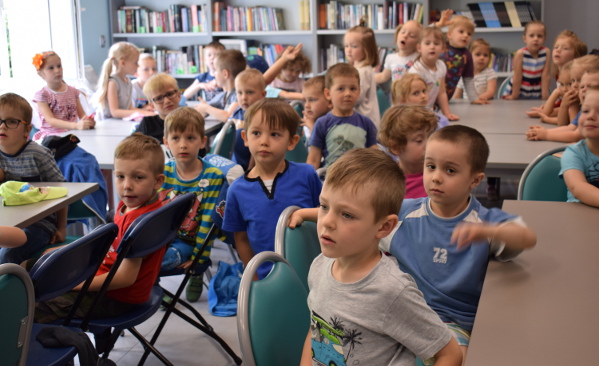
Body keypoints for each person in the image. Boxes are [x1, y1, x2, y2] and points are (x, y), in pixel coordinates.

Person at [381, 125, 537, 362]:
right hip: (404, 312)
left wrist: (486, 231)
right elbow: (360, 217)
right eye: (430, 166)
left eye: (450, 170)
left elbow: (527, 237)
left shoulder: (484, 220)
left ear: (475, 180)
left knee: (458, 358)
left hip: (453, 322)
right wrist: (307, 213)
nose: (436, 177)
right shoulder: (404, 213)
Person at [299, 148, 462, 366]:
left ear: (384, 226)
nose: (327, 221)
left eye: (346, 214)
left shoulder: (391, 291)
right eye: (324, 206)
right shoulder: (319, 266)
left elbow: (450, 354)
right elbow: (315, 331)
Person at [34, 133, 166, 325]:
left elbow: (125, 278)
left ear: (158, 181)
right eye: (120, 177)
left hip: (116, 298)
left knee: (30, 304)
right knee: (37, 263)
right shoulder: (138, 204)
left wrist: (78, 284)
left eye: (138, 177)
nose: (127, 186)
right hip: (105, 272)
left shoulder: (141, 223)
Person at [222, 98, 321, 280]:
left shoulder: (307, 175)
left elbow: (327, 213)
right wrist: (254, 277)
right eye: (257, 133)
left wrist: (305, 214)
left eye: (274, 134)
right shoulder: (237, 190)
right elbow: (241, 238)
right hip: (267, 277)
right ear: (245, 138)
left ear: (292, 142)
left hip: (313, 271)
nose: (264, 142)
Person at [158, 107, 226, 302]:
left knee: (160, 260)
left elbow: (208, 222)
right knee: (134, 255)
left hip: (189, 242)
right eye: (176, 138)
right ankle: (154, 287)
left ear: (202, 141)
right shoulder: (163, 172)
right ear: (166, 143)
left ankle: (194, 276)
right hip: (164, 237)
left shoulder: (212, 176)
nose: (183, 145)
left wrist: (198, 258)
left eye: (190, 138)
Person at [0, 93, 67, 265]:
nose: (2, 127)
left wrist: (61, 228)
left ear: (27, 130)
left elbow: (63, 191)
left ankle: (16, 291)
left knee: (7, 255)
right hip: (8, 222)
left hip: (40, 224)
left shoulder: (38, 154)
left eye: (11, 121)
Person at [306, 63, 378, 169]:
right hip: (331, 179)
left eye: (353, 88)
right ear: (328, 94)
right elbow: (313, 160)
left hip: (360, 179)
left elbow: (375, 156)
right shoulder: (322, 123)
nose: (348, 93)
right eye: (341, 89)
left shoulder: (366, 123)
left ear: (359, 92)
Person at [527, 57, 599, 142]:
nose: (575, 85)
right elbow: (570, 127)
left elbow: (576, 136)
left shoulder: (593, 109)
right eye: (573, 81)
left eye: (579, 80)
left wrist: (546, 134)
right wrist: (543, 131)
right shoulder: (585, 107)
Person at [31, 51, 95, 140]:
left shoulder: (73, 91)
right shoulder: (42, 95)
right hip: (52, 138)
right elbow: (51, 121)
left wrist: (88, 121)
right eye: (51, 68)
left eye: (59, 66)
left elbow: (82, 115)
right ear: (40, 73)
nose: (57, 70)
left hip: (72, 134)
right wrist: (76, 125)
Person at [378, 105, 438, 199]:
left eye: (431, 136)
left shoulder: (439, 174)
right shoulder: (388, 182)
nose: (429, 144)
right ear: (395, 147)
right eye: (419, 140)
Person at [524, 29, 587, 117]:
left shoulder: (574, 79)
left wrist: (546, 113)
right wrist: (551, 106)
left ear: (576, 56)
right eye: (556, 47)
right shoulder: (559, 73)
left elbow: (571, 108)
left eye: (565, 48)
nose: (558, 50)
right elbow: (562, 101)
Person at [94, 41, 156, 120]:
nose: (138, 66)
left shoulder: (128, 81)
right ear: (123, 63)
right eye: (136, 63)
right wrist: (144, 113)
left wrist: (146, 112)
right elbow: (115, 112)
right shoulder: (113, 82)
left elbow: (128, 108)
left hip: (120, 122)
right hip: (107, 123)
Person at [408, 27, 459, 121]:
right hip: (414, 114)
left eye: (436, 43)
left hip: (428, 112)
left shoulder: (441, 66)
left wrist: (447, 113)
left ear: (443, 48)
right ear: (419, 48)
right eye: (427, 43)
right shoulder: (417, 71)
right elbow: (411, 99)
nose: (432, 47)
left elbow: (442, 92)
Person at [560, 88, 599, 207]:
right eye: (586, 111)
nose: (590, 116)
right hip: (580, 217)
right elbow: (578, 188)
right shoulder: (574, 153)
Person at [344, 20, 381, 127]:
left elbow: (357, 98)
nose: (349, 50)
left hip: (365, 122)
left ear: (367, 49)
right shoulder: (358, 67)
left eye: (354, 46)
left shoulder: (362, 71)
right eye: (346, 46)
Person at [440, 15, 483, 103]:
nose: (465, 35)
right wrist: (439, 24)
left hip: (445, 98)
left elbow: (468, 80)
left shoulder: (467, 55)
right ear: (449, 34)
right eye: (461, 31)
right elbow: (425, 33)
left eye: (469, 33)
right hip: (428, 95)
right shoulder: (440, 46)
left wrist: (474, 99)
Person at [502, 21, 550, 100]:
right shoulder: (521, 53)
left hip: (536, 90)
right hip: (520, 90)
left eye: (539, 36)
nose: (536, 39)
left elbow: (545, 75)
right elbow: (517, 76)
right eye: (531, 36)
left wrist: (545, 96)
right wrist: (514, 96)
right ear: (525, 38)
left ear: (544, 38)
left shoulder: (546, 52)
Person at [194, 49, 245, 122]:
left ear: (225, 74)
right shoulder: (223, 96)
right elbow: (205, 110)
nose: (214, 74)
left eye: (215, 70)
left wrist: (206, 108)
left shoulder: (240, 94)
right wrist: (203, 109)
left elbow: (228, 116)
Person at [231, 69, 267, 171]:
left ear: (263, 95)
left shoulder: (262, 117)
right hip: (235, 166)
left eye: (249, 92)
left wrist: (251, 170)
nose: (244, 97)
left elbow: (257, 150)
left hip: (252, 169)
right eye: (239, 92)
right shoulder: (237, 112)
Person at [134, 73, 181, 143]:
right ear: (152, 105)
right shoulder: (147, 124)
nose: (167, 101)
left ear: (178, 95)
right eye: (159, 98)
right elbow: (130, 148)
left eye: (170, 94)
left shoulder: (190, 121)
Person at [375, 20, 422, 85]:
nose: (405, 36)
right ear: (397, 34)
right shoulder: (391, 58)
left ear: (418, 43)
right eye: (403, 32)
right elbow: (383, 77)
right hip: (397, 94)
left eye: (412, 36)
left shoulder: (420, 58)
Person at [301, 75, 332, 144]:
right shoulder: (309, 118)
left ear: (329, 101)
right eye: (304, 100)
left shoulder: (334, 121)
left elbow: (325, 145)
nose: (306, 105)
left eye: (312, 100)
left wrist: (312, 127)